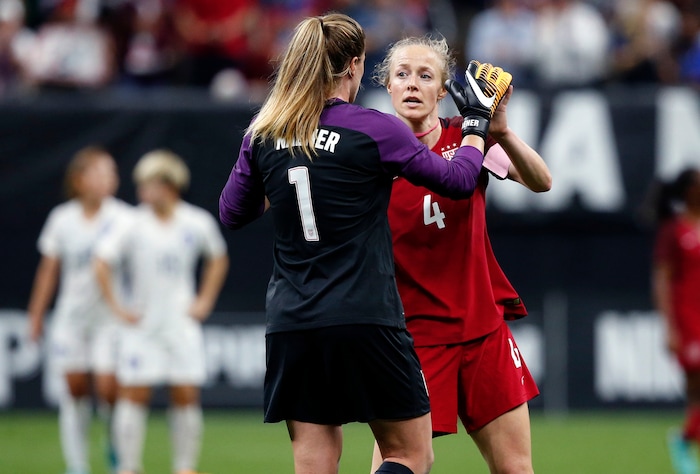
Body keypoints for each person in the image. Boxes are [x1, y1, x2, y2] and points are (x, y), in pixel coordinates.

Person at [218, 12, 512, 474]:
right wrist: (476, 122)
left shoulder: (266, 130)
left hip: (292, 320)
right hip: (364, 313)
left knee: (314, 463)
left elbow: (233, 213)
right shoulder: (374, 128)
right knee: (409, 454)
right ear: (355, 66)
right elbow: (457, 181)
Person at [370, 35, 552, 474]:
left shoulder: (467, 138)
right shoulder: (370, 158)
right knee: (401, 462)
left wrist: (501, 129)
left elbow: (541, 181)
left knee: (516, 468)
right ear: (388, 88)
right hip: (414, 338)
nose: (412, 84)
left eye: (425, 75)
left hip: (482, 329)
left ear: (442, 90)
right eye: (402, 75)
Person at [94, 150, 229, 474]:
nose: (142, 191)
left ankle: (185, 467)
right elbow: (101, 262)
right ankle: (128, 466)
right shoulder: (131, 223)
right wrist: (118, 306)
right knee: (134, 394)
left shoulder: (196, 221)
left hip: (180, 323)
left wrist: (205, 300)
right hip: (142, 325)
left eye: (148, 184)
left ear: (168, 185)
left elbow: (218, 258)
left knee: (185, 393)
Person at [27, 146, 132, 474]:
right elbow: (49, 270)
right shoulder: (62, 219)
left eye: (111, 173)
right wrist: (36, 314)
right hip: (72, 318)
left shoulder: (125, 217)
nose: (108, 179)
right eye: (99, 172)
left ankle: (114, 443)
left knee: (108, 389)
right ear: (79, 179)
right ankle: (77, 464)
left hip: (109, 319)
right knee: (73, 389)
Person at [652, 168, 700, 474]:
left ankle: (686, 438)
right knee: (696, 387)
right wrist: (669, 326)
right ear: (687, 192)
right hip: (688, 318)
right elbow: (662, 279)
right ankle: (684, 439)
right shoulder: (674, 230)